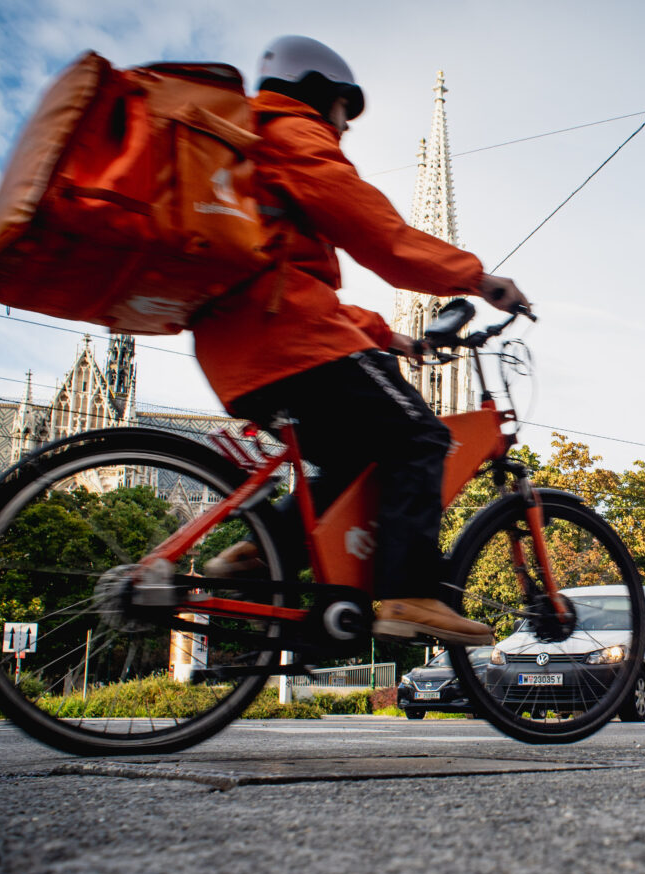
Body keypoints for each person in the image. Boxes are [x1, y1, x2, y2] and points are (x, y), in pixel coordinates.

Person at [193, 36, 528, 646]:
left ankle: (260, 550)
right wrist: (478, 278)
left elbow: (287, 278)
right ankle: (408, 596)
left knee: (352, 461)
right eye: (343, 110)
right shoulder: (292, 135)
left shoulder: (249, 147)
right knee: (422, 436)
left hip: (238, 351)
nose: (344, 127)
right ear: (317, 92)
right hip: (289, 340)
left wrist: (384, 334)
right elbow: (385, 238)